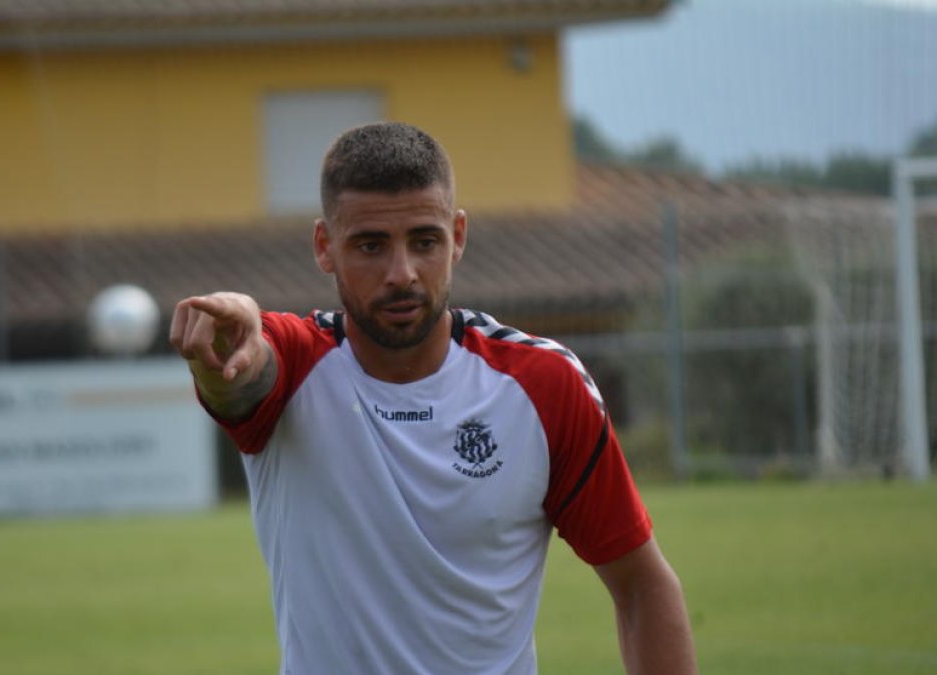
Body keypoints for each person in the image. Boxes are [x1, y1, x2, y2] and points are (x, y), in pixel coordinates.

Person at [170, 121, 696, 674]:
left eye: (425, 242)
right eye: (370, 245)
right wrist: (224, 355)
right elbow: (244, 377)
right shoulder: (296, 362)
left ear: (458, 236)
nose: (402, 274)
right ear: (324, 247)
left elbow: (642, 585)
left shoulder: (544, 385)